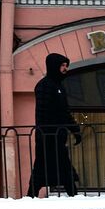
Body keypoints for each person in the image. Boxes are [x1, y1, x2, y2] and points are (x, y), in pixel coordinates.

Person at [27, 52, 81, 197]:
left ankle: (74, 197)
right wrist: (48, 134)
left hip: (56, 138)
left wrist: (75, 130)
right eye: (62, 65)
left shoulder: (58, 86)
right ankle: (29, 198)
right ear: (54, 66)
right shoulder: (44, 86)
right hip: (48, 139)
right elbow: (44, 114)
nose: (65, 69)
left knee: (62, 171)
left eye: (66, 65)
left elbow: (64, 112)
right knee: (42, 172)